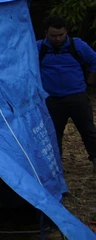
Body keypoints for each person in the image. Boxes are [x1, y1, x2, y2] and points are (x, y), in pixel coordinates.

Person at [37, 15, 96, 172]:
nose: (57, 39)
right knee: (53, 134)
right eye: (53, 36)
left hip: (77, 96)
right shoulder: (39, 48)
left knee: (88, 130)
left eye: (61, 35)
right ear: (46, 34)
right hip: (52, 99)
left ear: (66, 32)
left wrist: (90, 81)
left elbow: (94, 61)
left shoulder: (77, 46)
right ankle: (55, 167)